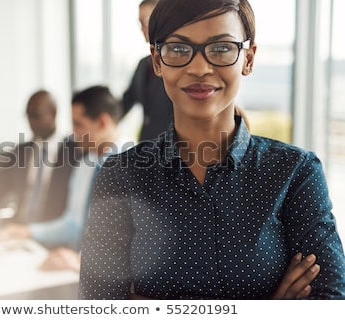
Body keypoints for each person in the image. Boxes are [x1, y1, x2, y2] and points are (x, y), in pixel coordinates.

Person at [79, 0, 345, 299]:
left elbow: (329, 304)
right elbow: (98, 307)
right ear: (157, 61)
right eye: (179, 49)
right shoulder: (120, 175)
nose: (199, 68)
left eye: (221, 48)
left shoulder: (295, 172)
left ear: (248, 58)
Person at [0, 85, 132, 271]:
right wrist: (29, 232)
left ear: (102, 122)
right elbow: (72, 224)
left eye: (78, 125)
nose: (73, 133)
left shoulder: (138, 169)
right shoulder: (85, 166)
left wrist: (84, 262)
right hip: (78, 273)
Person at [0, 89, 78, 224]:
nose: (31, 122)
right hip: (18, 228)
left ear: (53, 113)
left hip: (53, 233)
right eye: (28, 116)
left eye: (36, 115)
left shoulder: (74, 152)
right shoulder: (21, 152)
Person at [121, 0, 173, 142]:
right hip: (147, 143)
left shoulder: (179, 63)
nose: (142, 28)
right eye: (140, 22)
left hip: (173, 146)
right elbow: (127, 100)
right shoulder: (143, 64)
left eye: (147, 20)